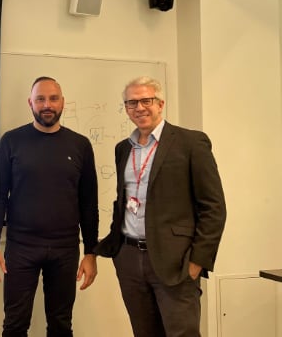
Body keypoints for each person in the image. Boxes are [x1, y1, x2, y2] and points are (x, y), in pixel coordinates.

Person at [94, 76, 226, 337]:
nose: (139, 108)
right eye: (132, 103)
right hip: (130, 258)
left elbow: (213, 207)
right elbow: (123, 200)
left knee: (182, 333)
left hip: (175, 261)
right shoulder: (123, 149)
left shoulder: (190, 143)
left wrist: (197, 262)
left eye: (146, 100)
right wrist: (117, 249)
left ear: (161, 103)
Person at [0, 76, 99, 337]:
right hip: (21, 247)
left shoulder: (80, 145)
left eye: (53, 98)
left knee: (61, 325)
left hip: (65, 250)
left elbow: (89, 202)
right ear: (30, 103)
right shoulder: (11, 141)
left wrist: (91, 252)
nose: (47, 104)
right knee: (15, 324)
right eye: (40, 99)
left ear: (62, 103)